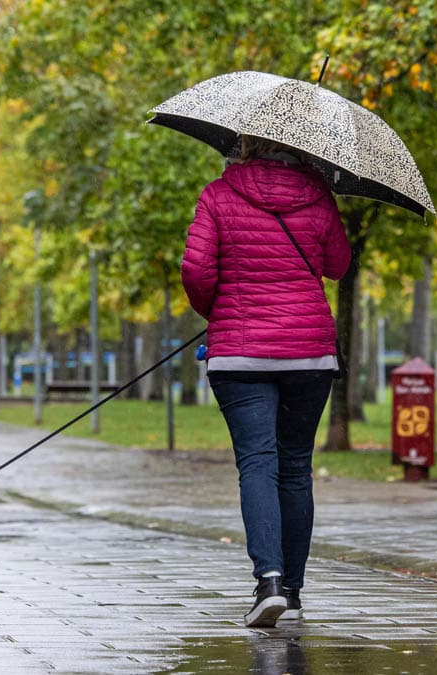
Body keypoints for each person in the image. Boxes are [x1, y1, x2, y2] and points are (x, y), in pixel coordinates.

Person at [181, 134, 351, 628]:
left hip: (240, 353)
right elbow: (339, 266)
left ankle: (270, 581)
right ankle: (292, 592)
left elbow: (195, 269)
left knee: (258, 462)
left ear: (245, 145)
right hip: (308, 353)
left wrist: (215, 307)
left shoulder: (218, 194)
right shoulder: (319, 196)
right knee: (296, 467)